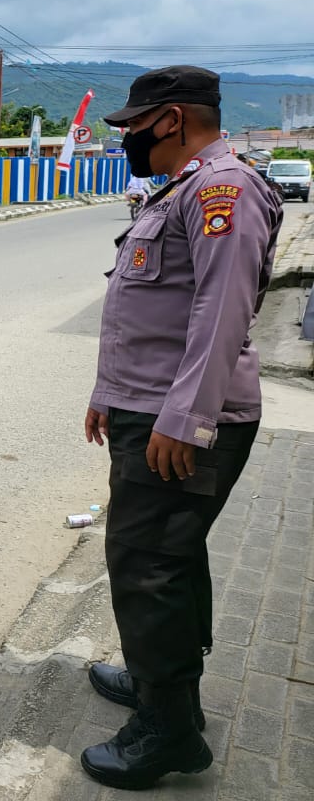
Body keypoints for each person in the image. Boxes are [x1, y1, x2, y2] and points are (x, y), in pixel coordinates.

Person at [80, 66, 283, 791]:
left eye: (131, 126)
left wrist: (185, 418)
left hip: (183, 418)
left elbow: (220, 311)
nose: (126, 139)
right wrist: (110, 394)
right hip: (150, 408)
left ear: (169, 120)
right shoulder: (182, 191)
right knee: (169, 556)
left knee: (148, 568)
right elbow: (145, 309)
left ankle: (169, 733)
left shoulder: (222, 189)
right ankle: (158, 682)